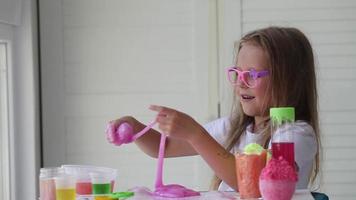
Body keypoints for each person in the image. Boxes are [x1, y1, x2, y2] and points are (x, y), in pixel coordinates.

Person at [108, 26, 320, 191]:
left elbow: (254, 184)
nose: (241, 82)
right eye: (237, 72)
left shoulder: (294, 135)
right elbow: (164, 147)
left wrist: (195, 134)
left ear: (288, 81)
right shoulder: (232, 128)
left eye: (253, 75)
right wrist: (135, 128)